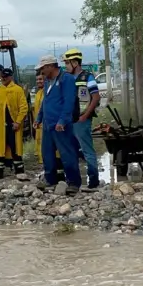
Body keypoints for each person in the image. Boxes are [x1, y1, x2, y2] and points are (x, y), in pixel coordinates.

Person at [35, 55, 82, 193]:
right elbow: (46, 101)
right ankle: (50, 179)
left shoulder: (66, 79)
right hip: (48, 124)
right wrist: (39, 118)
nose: (42, 71)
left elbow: (69, 102)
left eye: (43, 68)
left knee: (67, 153)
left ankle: (73, 182)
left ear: (50, 66)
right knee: (47, 153)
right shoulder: (48, 81)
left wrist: (62, 120)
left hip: (61, 125)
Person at [62, 48, 101, 189]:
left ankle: (93, 180)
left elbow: (96, 97)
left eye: (67, 63)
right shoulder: (66, 78)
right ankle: (73, 180)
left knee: (86, 150)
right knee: (71, 151)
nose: (65, 66)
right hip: (69, 120)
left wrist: (85, 115)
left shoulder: (87, 77)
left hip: (81, 120)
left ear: (75, 63)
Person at [0, 68, 28, 178]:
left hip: (14, 125)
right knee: (0, 149)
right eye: (2, 78)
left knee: (15, 148)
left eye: (5, 77)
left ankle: (19, 171)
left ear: (10, 77)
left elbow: (23, 108)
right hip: (0, 126)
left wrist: (18, 122)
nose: (3, 79)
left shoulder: (17, 90)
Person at [32, 71, 66, 182]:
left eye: (41, 79)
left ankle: (59, 175)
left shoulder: (50, 92)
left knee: (56, 152)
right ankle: (49, 175)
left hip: (52, 126)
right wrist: (37, 121)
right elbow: (40, 110)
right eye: (37, 80)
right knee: (45, 152)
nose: (39, 82)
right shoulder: (38, 94)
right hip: (41, 127)